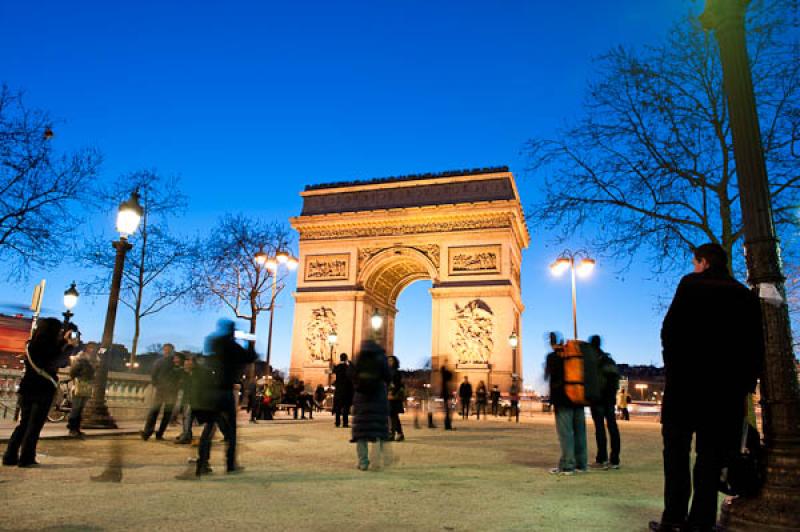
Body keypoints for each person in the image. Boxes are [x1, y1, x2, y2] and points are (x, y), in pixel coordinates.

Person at [649, 244, 763, 532]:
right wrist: (745, 384)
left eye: (695, 262)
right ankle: (701, 521)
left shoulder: (690, 285)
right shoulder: (743, 294)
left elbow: (669, 331)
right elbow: (754, 346)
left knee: (675, 454)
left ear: (704, 262)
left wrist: (674, 369)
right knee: (710, 457)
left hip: (686, 386)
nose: (694, 267)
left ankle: (674, 516)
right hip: (725, 392)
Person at [181, 319, 256, 478]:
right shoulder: (233, 346)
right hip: (225, 392)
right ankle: (230, 464)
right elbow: (250, 357)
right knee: (231, 430)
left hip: (210, 391)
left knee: (209, 429)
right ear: (232, 331)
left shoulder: (212, 342)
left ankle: (202, 464)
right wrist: (249, 341)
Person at [4, 318, 77, 467]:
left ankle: (10, 456)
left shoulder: (31, 344)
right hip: (42, 388)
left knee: (24, 424)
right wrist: (68, 346)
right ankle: (26, 458)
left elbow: (48, 358)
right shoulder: (49, 346)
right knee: (35, 425)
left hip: (27, 387)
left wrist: (63, 344)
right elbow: (56, 362)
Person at [545, 332, 587, 475]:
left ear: (552, 343)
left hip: (563, 400)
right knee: (580, 432)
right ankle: (581, 464)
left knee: (566, 433)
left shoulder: (552, 358)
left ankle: (567, 465)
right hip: (579, 398)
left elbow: (549, 376)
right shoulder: (575, 356)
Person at [350, 340, 392, 471]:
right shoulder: (381, 358)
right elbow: (388, 376)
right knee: (378, 430)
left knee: (361, 431)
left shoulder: (359, 358)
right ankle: (377, 460)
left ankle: (363, 461)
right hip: (378, 397)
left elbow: (351, 375)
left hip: (361, 398)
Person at [587, 335, 621, 470]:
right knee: (612, 427)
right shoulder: (609, 360)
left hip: (598, 399)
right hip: (609, 399)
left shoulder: (593, 361)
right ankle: (615, 459)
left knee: (600, 429)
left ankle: (602, 458)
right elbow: (615, 381)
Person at [141, 344, 183, 441]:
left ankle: (150, 433)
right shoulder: (173, 362)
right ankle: (154, 433)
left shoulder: (161, 362)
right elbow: (154, 375)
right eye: (166, 350)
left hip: (167, 390)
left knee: (159, 413)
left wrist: (157, 384)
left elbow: (154, 375)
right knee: (158, 413)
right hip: (166, 390)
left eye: (168, 350)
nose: (167, 351)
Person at [67, 341, 97, 438]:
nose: (92, 350)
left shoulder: (93, 360)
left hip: (87, 385)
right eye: (90, 347)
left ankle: (77, 429)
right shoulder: (80, 358)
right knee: (76, 408)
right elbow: (73, 371)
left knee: (80, 408)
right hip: (80, 384)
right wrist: (76, 381)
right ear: (86, 348)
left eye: (93, 348)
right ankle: (72, 429)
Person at [175, 356, 196, 444]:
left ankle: (186, 436)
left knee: (187, 417)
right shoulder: (183, 373)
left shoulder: (194, 374)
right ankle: (186, 434)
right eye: (185, 363)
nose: (186, 365)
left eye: (188, 363)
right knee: (186, 417)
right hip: (186, 397)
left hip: (191, 398)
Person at [387, 355, 405, 441]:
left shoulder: (396, 372)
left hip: (393, 397)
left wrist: (392, 393)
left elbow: (398, 385)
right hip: (387, 396)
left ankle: (392, 433)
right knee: (392, 415)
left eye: (391, 360)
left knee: (392, 415)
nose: (389, 362)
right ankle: (399, 433)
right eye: (388, 360)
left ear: (395, 362)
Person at [333, 353, 354, 428]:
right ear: (346, 358)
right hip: (346, 389)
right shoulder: (348, 367)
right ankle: (345, 423)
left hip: (338, 389)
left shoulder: (337, 367)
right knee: (346, 407)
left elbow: (333, 371)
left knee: (338, 407)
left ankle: (337, 422)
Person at [440, 363, 454, 430]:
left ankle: (447, 425)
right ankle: (448, 425)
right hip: (447, 396)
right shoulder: (446, 382)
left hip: (446, 396)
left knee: (447, 411)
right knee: (449, 411)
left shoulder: (443, 381)